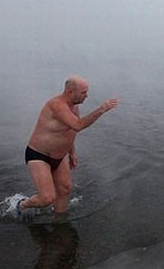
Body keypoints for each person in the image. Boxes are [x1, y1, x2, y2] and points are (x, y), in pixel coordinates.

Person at [15, 76, 119, 219]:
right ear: (70, 92)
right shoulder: (56, 105)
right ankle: (21, 205)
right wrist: (102, 109)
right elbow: (78, 125)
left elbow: (70, 130)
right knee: (47, 198)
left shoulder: (74, 107)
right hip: (39, 155)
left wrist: (72, 152)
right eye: (83, 92)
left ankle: (59, 221)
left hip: (60, 156)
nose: (87, 96)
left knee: (65, 189)